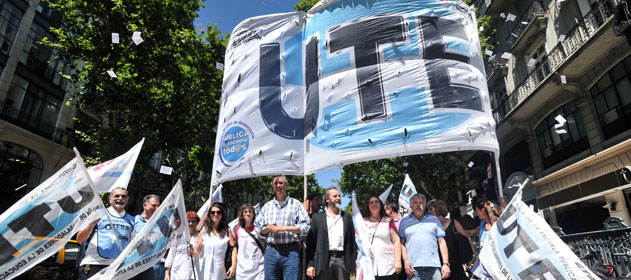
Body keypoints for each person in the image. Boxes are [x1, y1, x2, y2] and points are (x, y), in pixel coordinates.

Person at [254, 175, 311, 280]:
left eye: (281, 183)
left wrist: (284, 228)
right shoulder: (266, 207)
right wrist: (268, 228)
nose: (278, 186)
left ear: (286, 185)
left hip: (291, 252)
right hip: (271, 251)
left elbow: (306, 226)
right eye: (275, 184)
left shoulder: (296, 204)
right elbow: (257, 228)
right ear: (273, 187)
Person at [76, 187, 134, 279]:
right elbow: (79, 239)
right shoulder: (98, 214)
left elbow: (133, 244)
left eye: (123, 196)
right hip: (94, 264)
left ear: (127, 200)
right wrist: (91, 225)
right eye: (116, 196)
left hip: (117, 267)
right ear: (110, 199)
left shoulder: (131, 220)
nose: (120, 198)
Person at [306, 187, 356, 280]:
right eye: (335, 196)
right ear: (327, 199)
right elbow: (311, 244)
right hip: (323, 260)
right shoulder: (317, 218)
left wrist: (353, 262)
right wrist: (310, 264)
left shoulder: (347, 217)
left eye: (339, 196)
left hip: (343, 261)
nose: (338, 198)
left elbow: (352, 242)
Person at [399, 193, 450, 280]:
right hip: (413, 268)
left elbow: (442, 242)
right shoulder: (404, 222)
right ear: (411, 206)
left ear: (425, 205)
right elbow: (402, 244)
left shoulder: (434, 220)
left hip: (434, 267)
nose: (418, 205)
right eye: (415, 203)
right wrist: (406, 261)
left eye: (421, 202)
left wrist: (445, 264)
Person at [427, 200, 473, 280]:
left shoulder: (453, 223)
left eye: (430, 209)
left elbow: (467, 239)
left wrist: (475, 257)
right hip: (441, 267)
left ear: (438, 209)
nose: (428, 212)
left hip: (457, 265)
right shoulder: (431, 227)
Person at [463, 197, 502, 279]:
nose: (477, 214)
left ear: (483, 211)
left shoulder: (497, 224)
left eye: (477, 211)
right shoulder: (482, 225)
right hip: (486, 266)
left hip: (498, 265)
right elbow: (470, 232)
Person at [195, 202, 236, 280]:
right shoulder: (204, 231)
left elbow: (233, 248)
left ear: (222, 215)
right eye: (213, 212)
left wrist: (233, 265)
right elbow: (196, 251)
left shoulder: (227, 231)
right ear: (209, 215)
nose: (215, 214)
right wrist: (191, 252)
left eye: (218, 212)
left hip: (218, 272)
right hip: (203, 271)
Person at [364, 196, 402, 280]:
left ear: (381, 205)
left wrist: (398, 261)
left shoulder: (388, 221)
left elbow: (396, 241)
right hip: (369, 266)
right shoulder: (362, 222)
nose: (374, 204)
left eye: (376, 202)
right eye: (371, 202)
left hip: (388, 265)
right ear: (368, 206)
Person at [132, 194, 162, 280]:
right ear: (144, 205)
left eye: (158, 206)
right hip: (133, 266)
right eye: (154, 205)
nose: (157, 208)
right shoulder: (133, 221)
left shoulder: (160, 224)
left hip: (152, 268)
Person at [232, 204, 265, 280]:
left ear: (253, 214)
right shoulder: (237, 229)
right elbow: (237, 245)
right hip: (242, 269)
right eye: (245, 212)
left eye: (250, 211)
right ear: (242, 215)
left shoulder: (259, 229)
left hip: (258, 268)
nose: (248, 213)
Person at [164, 211, 201, 280]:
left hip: (194, 274)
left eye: (193, 221)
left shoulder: (200, 237)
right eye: (188, 221)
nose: (190, 223)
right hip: (177, 274)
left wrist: (194, 253)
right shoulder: (178, 236)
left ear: (197, 222)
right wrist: (167, 272)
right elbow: (171, 255)